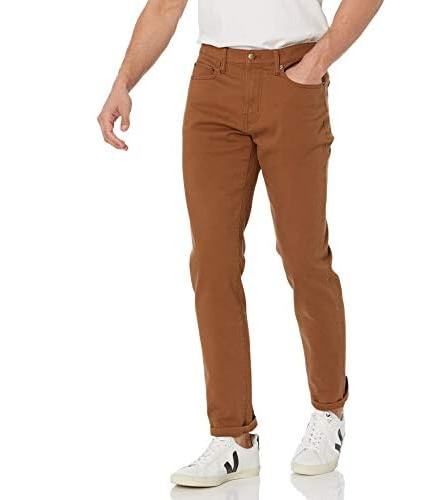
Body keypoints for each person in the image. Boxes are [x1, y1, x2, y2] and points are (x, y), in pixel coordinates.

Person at [98, 0, 383, 488]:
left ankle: (328, 411)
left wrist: (317, 61)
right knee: (212, 263)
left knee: (303, 256)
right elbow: (165, 6)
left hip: (293, 75)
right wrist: (124, 81)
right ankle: (233, 438)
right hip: (214, 82)